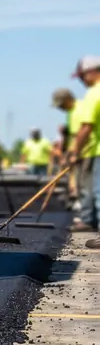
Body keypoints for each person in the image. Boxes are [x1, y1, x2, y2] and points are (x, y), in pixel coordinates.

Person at [63, 56, 100, 236]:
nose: (81, 81)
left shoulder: (94, 93)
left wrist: (74, 152)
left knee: (97, 191)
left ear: (91, 72)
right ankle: (90, 220)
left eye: (82, 76)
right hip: (94, 149)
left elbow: (86, 127)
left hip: (96, 151)